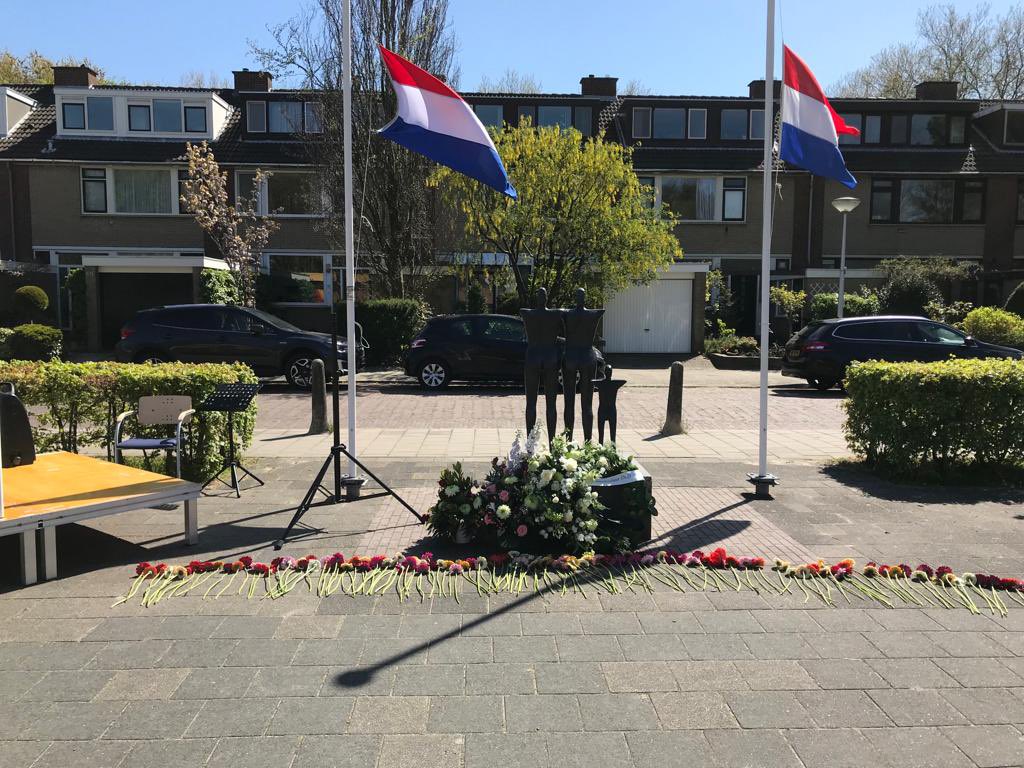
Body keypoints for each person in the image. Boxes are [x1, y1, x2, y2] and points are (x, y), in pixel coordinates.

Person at [520, 288, 564, 441]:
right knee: (551, 403)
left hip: (533, 356)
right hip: (550, 357)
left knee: (530, 402)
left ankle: (530, 443)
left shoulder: (527, 313)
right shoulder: (556, 313)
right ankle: (551, 443)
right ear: (546, 299)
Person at [562, 288, 605, 442]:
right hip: (587, 356)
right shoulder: (594, 314)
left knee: (570, 402)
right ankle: (586, 442)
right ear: (584, 298)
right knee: (586, 404)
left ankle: (569, 441)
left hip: (572, 356)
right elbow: (602, 310)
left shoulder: (567, 314)